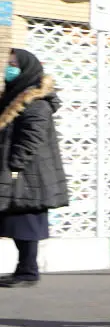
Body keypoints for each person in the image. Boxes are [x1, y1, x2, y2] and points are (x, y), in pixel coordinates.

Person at [0, 49, 68, 288]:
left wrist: (15, 167)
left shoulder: (36, 103)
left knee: (26, 223)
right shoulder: (13, 96)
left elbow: (31, 139)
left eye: (14, 64)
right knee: (17, 223)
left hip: (30, 173)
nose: (9, 68)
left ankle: (28, 272)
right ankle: (23, 269)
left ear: (26, 67)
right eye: (9, 64)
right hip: (20, 172)